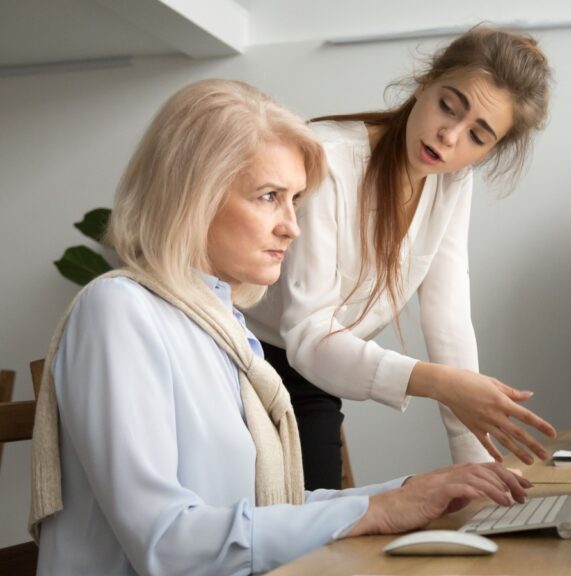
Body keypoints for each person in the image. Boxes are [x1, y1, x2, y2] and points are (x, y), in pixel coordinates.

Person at [29, 79, 532, 575]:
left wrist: (411, 491)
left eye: (294, 200)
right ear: (194, 194)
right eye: (269, 196)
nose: (292, 225)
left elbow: (267, 505)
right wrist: (374, 511)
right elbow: (167, 543)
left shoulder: (220, 324)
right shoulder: (118, 311)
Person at [246, 25, 556, 490]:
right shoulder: (328, 159)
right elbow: (309, 332)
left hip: (318, 373)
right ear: (425, 82)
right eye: (448, 106)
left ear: (490, 151)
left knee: (321, 530)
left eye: (478, 135)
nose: (449, 136)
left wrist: (481, 466)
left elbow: (448, 319)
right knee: (290, 537)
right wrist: (438, 382)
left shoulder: (453, 182)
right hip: (249, 357)